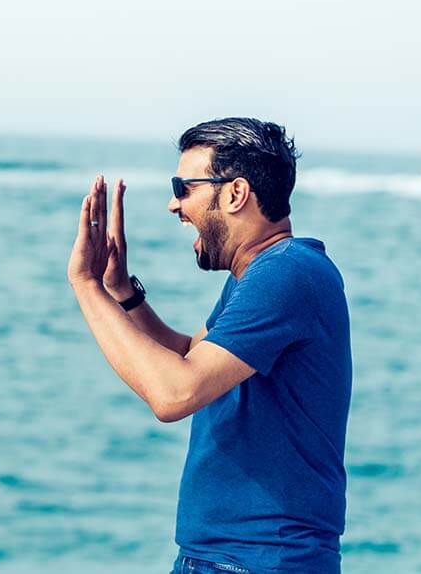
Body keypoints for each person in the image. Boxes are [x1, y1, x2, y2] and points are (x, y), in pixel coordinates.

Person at [67, 118, 351, 573]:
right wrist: (120, 292)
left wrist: (84, 286)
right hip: (222, 557)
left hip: (260, 559)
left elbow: (174, 392)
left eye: (184, 187)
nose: (173, 205)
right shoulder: (262, 274)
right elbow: (188, 358)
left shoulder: (287, 273)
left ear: (235, 194)